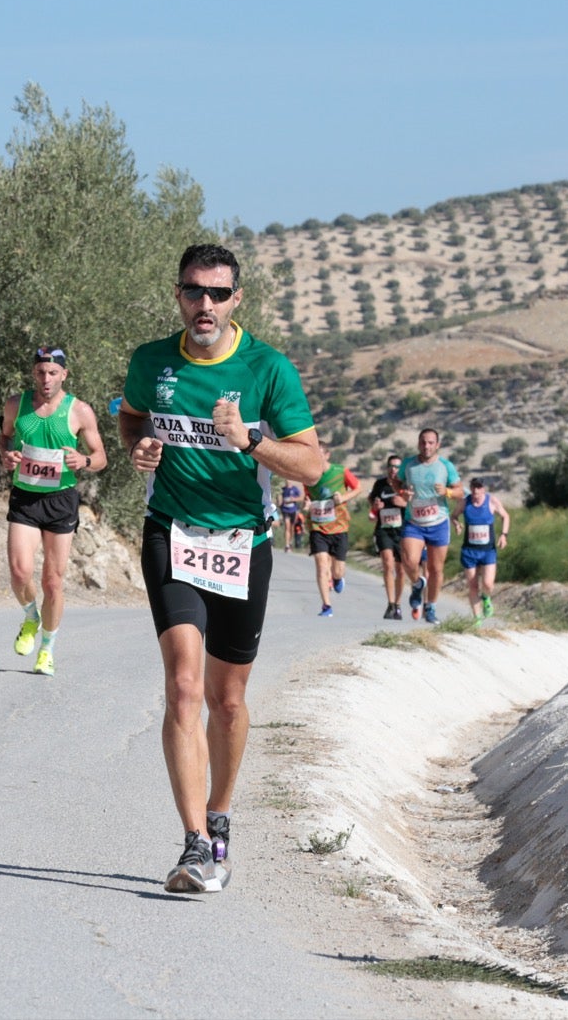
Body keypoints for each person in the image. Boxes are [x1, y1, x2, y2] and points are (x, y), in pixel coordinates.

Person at [118, 243, 324, 895]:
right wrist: (141, 444)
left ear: (238, 299)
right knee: (182, 686)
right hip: (171, 534)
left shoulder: (268, 369)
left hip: (243, 543)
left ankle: (220, 814)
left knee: (226, 700)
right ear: (177, 295)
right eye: (192, 291)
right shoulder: (152, 361)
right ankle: (194, 845)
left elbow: (313, 465)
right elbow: (129, 418)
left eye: (216, 293)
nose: (203, 304)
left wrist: (252, 440)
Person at [0, 346, 107, 676]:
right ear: (34, 374)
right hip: (26, 498)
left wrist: (84, 461)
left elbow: (100, 456)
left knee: (53, 582)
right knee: (19, 572)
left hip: (60, 500)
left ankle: (47, 649)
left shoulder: (80, 411)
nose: (46, 379)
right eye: (41, 373)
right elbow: (4, 438)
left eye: (53, 373)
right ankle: (31, 617)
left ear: (64, 375)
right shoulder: (16, 405)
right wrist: (6, 455)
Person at [396, 428, 462, 624]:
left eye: (431, 442)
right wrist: (402, 492)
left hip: (438, 523)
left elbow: (460, 491)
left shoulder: (445, 466)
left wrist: (448, 492)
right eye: (423, 442)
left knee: (435, 569)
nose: (427, 446)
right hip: (414, 522)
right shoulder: (408, 464)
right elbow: (396, 482)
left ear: (437, 445)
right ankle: (417, 584)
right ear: (418, 444)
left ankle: (430, 607)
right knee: (409, 561)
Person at [304, 446, 361, 617]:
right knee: (321, 566)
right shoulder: (308, 476)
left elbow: (358, 488)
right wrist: (306, 505)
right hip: (317, 527)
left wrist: (343, 498)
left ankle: (337, 578)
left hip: (339, 527)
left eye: (319, 454)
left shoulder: (340, 471)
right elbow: (308, 497)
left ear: (327, 455)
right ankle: (326, 606)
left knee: (338, 570)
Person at [459, 476, 511, 624]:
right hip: (469, 551)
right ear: (470, 487)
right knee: (473, 585)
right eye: (473, 487)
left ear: (484, 488)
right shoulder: (465, 502)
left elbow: (505, 516)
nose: (476, 490)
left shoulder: (492, 501)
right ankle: (477, 619)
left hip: (488, 550)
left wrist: (504, 535)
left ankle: (486, 597)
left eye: (479, 487)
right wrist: (456, 523)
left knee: (488, 584)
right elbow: (454, 515)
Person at [366, 455, 407, 619]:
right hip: (384, 529)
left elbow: (414, 503)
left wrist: (403, 503)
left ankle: (397, 604)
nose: (393, 469)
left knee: (401, 570)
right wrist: (375, 506)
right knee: (387, 563)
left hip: (402, 530)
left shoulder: (405, 485)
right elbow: (371, 499)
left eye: (397, 467)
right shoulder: (380, 484)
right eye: (391, 466)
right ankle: (390, 604)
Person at [277, 479, 305, 553]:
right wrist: (280, 502)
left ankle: (290, 542)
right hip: (285, 510)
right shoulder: (283, 489)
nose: (288, 481)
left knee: (292, 528)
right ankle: (287, 545)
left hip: (293, 510)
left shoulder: (295, 489)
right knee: (287, 527)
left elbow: (301, 498)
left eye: (289, 480)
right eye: (286, 480)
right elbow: (280, 498)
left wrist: (294, 499)